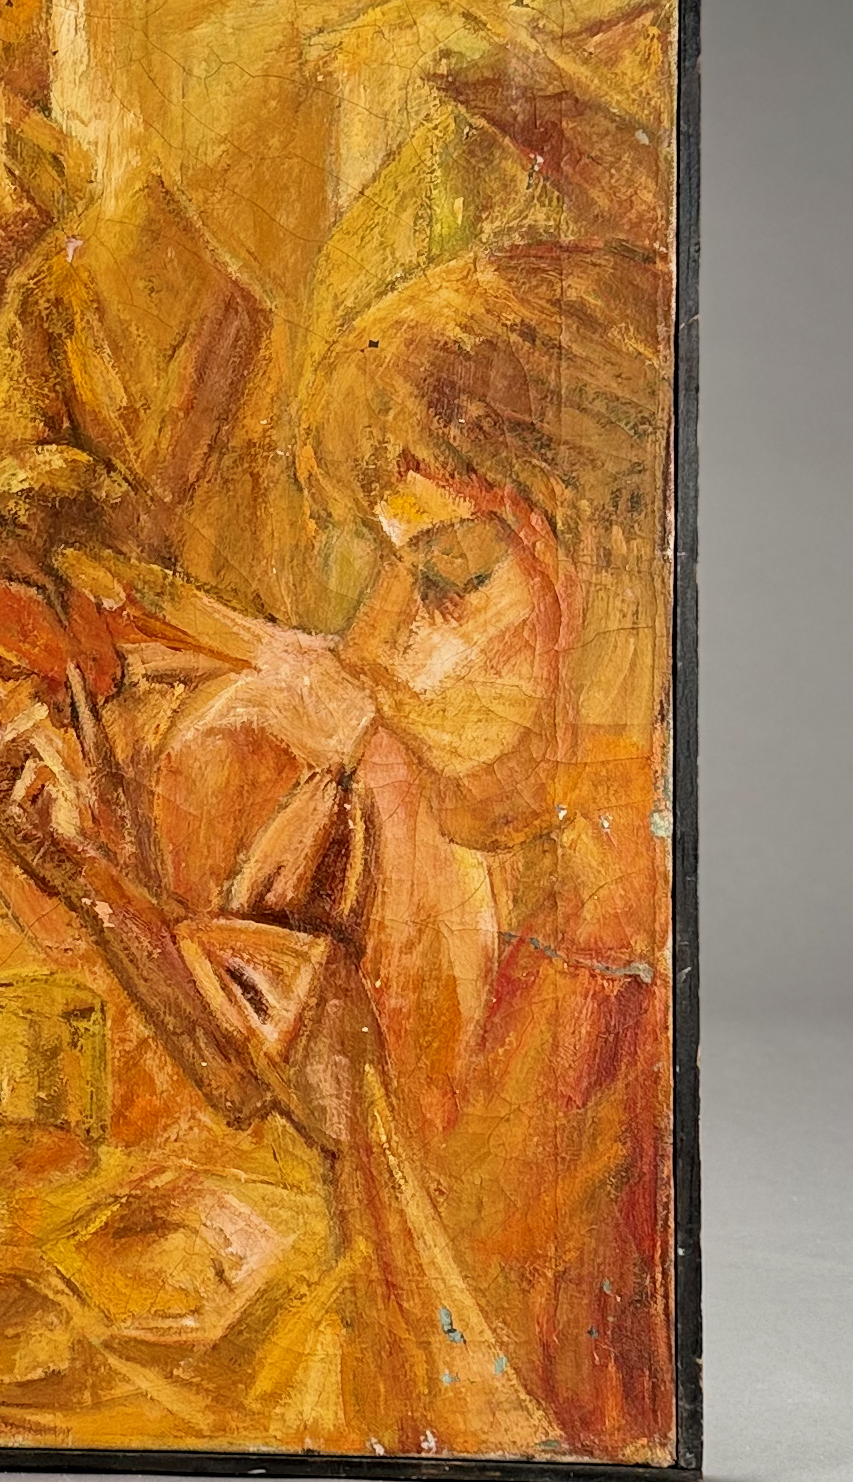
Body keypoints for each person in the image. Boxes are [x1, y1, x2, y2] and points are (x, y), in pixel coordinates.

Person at [289, 239, 678, 1461]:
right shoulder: (527, 898)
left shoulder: (638, 986)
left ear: (620, 590)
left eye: (448, 576)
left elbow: (540, 1432)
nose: (371, 648)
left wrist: (357, 1117)